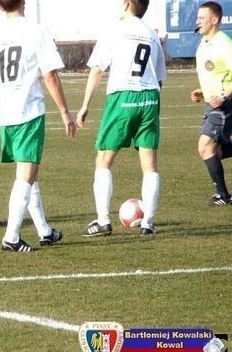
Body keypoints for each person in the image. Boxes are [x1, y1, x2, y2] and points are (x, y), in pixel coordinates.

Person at [0, 0, 77, 252]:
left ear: (0, 6)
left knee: (29, 172)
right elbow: (50, 74)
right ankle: (11, 237)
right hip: (28, 111)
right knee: (25, 177)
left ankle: (44, 231)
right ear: (23, 2)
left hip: (6, 113)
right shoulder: (36, 31)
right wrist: (65, 112)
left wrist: (1, 110)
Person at [77, 0, 167, 237]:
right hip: (150, 97)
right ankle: (148, 222)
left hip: (122, 97)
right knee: (149, 164)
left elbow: (97, 69)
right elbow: (159, 79)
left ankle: (103, 220)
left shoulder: (115, 30)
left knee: (104, 159)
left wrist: (85, 105)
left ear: (127, 3)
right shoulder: (152, 35)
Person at [190, 1, 232, 206]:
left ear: (214, 20)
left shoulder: (223, 43)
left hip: (223, 104)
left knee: (205, 147)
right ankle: (223, 196)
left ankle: (224, 196)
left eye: (201, 18)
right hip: (212, 103)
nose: (198, 21)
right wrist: (203, 91)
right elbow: (215, 72)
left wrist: (223, 96)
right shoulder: (205, 42)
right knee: (216, 151)